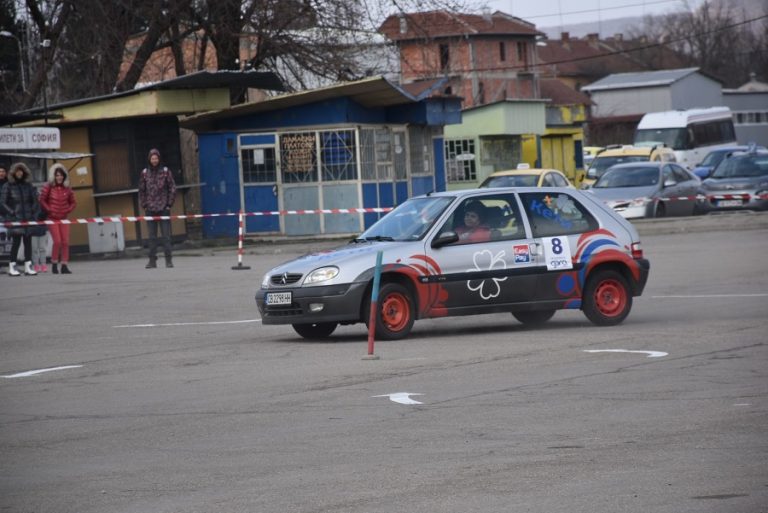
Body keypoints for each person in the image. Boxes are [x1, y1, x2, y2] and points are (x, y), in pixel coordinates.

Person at [138, 148, 176, 268]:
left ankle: (168, 260)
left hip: (164, 208)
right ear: (149, 159)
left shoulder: (165, 171)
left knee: (166, 236)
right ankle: (152, 261)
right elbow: (141, 190)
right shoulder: (144, 173)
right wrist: (144, 204)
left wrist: (169, 204)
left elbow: (172, 188)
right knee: (151, 237)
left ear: (159, 159)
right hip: (150, 209)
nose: (154, 160)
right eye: (152, 158)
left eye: (156, 158)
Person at [0, 163, 40, 276]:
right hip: (15, 219)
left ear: (24, 172)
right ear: (13, 173)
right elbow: (3, 202)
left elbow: (35, 201)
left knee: (28, 243)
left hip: (28, 219)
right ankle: (12, 266)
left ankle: (28, 267)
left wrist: (32, 211)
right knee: (16, 243)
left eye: (21, 171)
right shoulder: (7, 185)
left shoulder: (28, 185)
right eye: (17, 171)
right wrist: (12, 213)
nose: (19, 173)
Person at [40, 163, 76, 274]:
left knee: (65, 242)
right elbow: (42, 200)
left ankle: (64, 265)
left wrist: (67, 210)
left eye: (61, 175)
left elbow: (73, 202)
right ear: (53, 176)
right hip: (52, 218)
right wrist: (49, 210)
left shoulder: (67, 188)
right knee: (57, 242)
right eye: (57, 175)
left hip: (64, 218)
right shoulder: (48, 187)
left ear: (64, 176)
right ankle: (54, 263)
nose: (59, 177)